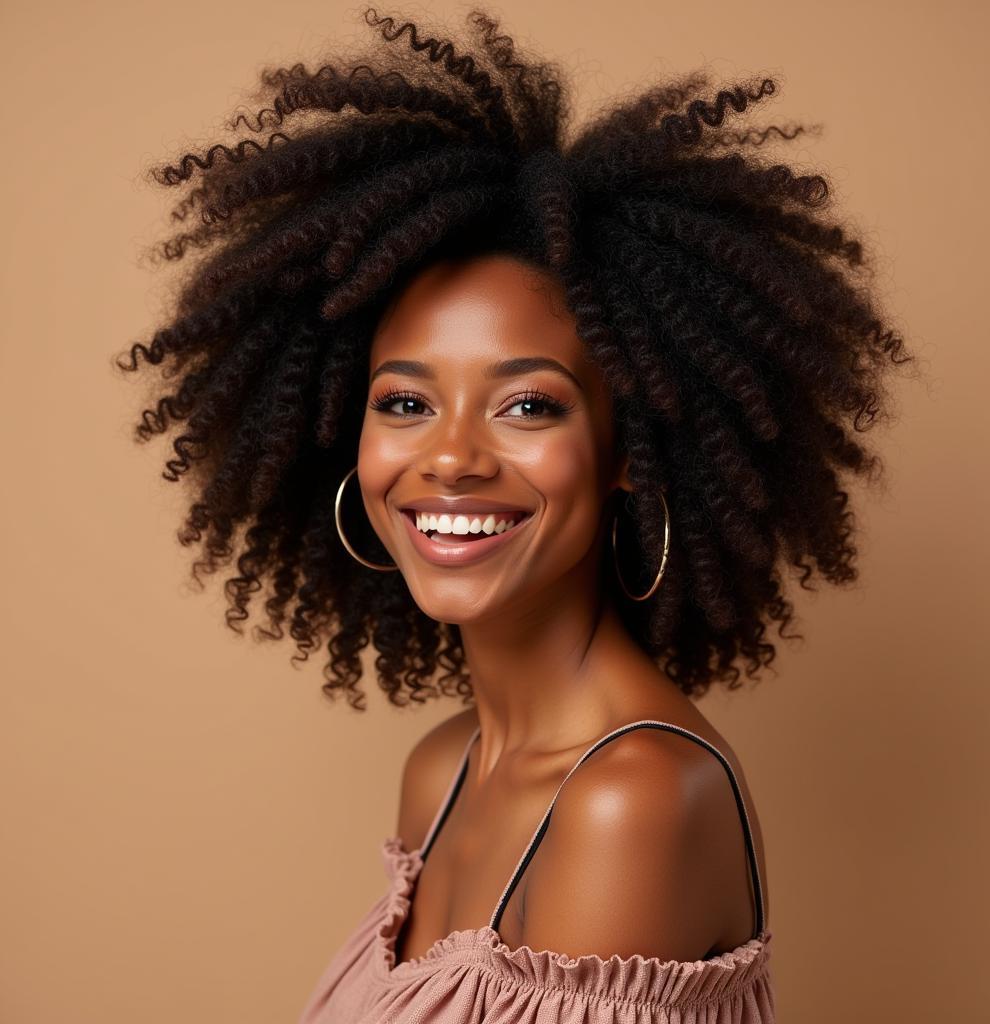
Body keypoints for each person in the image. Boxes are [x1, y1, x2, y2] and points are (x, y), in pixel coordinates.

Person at [118, 7, 913, 1021]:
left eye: (528, 403)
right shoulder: (441, 769)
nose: (448, 455)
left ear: (630, 450)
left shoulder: (633, 801)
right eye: (404, 401)